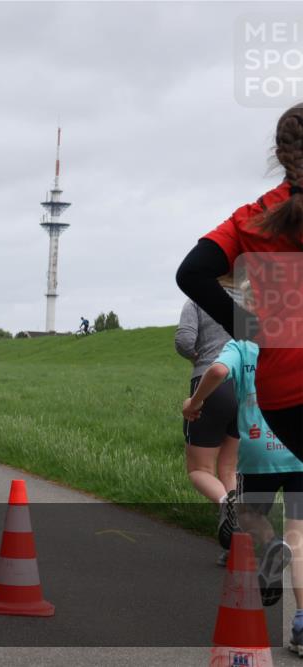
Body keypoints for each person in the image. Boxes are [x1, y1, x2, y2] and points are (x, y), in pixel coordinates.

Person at [177, 102, 303, 461]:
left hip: (282, 393)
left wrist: (248, 329)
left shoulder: (249, 219)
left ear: (279, 154)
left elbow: (191, 273)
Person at [183, 337, 302, 651]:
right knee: (300, 536)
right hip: (297, 446)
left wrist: (194, 403)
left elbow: (218, 372)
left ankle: (270, 542)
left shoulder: (241, 345)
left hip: (258, 449)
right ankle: (302, 622)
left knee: (249, 514)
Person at [174, 289, 239, 560]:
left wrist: (197, 356)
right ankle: (237, 546)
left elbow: (184, 341)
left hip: (210, 381)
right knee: (229, 467)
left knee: (199, 469)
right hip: (246, 386)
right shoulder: (248, 298)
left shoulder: (198, 299)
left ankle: (228, 504)